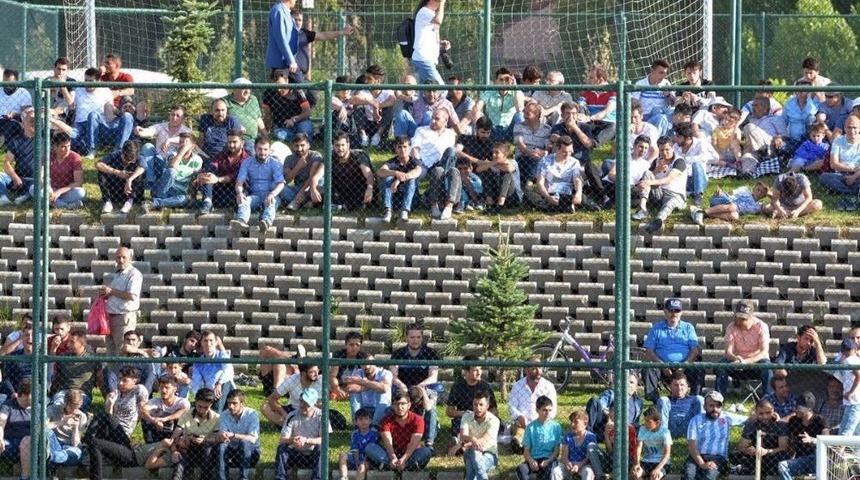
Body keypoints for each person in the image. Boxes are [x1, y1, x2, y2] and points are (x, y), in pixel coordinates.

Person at [85, 367, 149, 479]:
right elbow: (110, 416)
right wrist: (110, 404)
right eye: (119, 379)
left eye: (125, 380)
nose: (120, 383)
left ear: (134, 380)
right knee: (100, 422)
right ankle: (88, 439)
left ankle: (85, 439)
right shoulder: (117, 393)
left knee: (102, 415)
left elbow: (143, 410)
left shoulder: (139, 389)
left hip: (123, 433)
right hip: (112, 429)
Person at [642, 297, 703, 401]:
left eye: (677, 310)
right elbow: (649, 350)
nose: (674, 313)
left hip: (685, 365)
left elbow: (695, 350)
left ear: (681, 312)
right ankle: (655, 401)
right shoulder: (656, 328)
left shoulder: (688, 328)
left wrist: (684, 366)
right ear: (665, 312)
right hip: (661, 366)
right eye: (671, 310)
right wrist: (662, 365)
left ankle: (693, 400)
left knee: (698, 369)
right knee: (649, 369)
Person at [391, 323, 441, 448]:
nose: (415, 340)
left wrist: (419, 387)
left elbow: (433, 376)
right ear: (406, 338)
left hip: (425, 387)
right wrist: (403, 386)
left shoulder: (431, 353)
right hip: (403, 388)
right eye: (412, 337)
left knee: (431, 409)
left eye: (418, 337)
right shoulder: (398, 354)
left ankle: (429, 442)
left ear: (422, 338)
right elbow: (393, 376)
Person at [715, 300, 772, 396]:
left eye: (743, 319)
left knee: (767, 366)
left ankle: (768, 400)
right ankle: (718, 399)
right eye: (738, 317)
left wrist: (747, 361)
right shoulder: (731, 327)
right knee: (721, 365)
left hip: (756, 364)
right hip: (737, 363)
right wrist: (736, 359)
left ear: (751, 316)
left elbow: (764, 352)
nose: (739, 321)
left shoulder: (762, 326)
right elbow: (728, 352)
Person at [365, 390, 433, 471]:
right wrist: (393, 458)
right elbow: (388, 443)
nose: (400, 407)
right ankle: (400, 466)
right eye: (396, 404)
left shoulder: (418, 420)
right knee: (370, 447)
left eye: (403, 404)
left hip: (410, 453)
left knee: (427, 451)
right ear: (392, 406)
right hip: (390, 454)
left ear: (409, 405)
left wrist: (404, 459)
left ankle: (395, 466)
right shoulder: (385, 421)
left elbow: (413, 443)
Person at [684, 391, 744, 480]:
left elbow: (749, 419)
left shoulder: (726, 418)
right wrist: (702, 464)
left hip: (718, 458)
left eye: (718, 406)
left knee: (708, 477)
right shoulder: (696, 420)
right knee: (688, 475)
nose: (715, 409)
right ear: (704, 406)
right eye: (711, 405)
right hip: (697, 456)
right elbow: (692, 446)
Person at [230, 136, 285, 233]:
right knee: (244, 200)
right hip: (255, 196)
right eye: (260, 149)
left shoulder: (275, 163)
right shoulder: (247, 162)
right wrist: (239, 193)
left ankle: (266, 222)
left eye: (265, 149)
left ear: (270, 150)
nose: (263, 152)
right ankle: (241, 221)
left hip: (270, 195)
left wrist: (272, 194)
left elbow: (281, 184)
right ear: (255, 148)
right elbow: (239, 182)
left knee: (271, 203)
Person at [412, 109, 459, 219]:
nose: (432, 120)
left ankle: (431, 194)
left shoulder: (450, 134)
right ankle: (427, 196)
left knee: (451, 151)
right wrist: (418, 164)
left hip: (440, 164)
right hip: (423, 162)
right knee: (417, 174)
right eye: (432, 118)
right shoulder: (421, 130)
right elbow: (414, 148)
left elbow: (449, 155)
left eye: (436, 119)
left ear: (445, 120)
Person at [139, 131, 203, 212]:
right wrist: (182, 151)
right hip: (163, 188)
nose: (182, 144)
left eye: (186, 142)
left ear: (193, 145)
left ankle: (155, 203)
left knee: (184, 199)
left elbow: (195, 180)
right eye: (181, 142)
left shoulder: (198, 160)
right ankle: (161, 199)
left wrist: (193, 197)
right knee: (172, 171)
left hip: (177, 193)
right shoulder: (173, 153)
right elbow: (172, 166)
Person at [276, 388, 329, 480]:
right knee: (282, 447)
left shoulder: (322, 416)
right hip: (295, 454)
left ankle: (317, 478)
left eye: (306, 403)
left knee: (321, 448)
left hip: (313, 455)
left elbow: (324, 439)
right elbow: (282, 439)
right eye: (301, 402)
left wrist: (306, 440)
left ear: (314, 404)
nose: (302, 405)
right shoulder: (292, 415)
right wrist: (293, 440)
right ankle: (280, 477)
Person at [98, 246, 142, 354]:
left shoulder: (134, 274)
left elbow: (132, 295)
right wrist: (106, 294)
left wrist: (111, 291)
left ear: (130, 258)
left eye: (124, 257)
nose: (121, 260)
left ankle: (124, 371)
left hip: (124, 317)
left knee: (123, 350)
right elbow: (114, 293)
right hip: (111, 317)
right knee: (111, 351)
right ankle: (113, 371)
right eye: (118, 257)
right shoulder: (118, 273)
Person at [638, 136, 687, 233]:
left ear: (673, 148)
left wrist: (650, 182)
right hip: (659, 194)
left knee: (670, 203)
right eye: (662, 150)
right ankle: (642, 209)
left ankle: (658, 220)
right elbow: (647, 176)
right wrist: (657, 170)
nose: (664, 153)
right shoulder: (656, 161)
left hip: (675, 194)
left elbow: (668, 179)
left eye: (667, 149)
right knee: (647, 173)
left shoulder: (679, 161)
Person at [728, 399, 790, 476]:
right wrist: (749, 450)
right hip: (756, 455)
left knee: (783, 456)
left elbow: (783, 448)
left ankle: (750, 469)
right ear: (756, 413)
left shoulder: (780, 425)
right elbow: (741, 447)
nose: (765, 416)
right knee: (734, 455)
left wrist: (766, 451)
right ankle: (756, 470)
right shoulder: (751, 424)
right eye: (761, 413)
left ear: (773, 411)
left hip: (773, 455)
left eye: (768, 413)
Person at [509, 356, 558, 453]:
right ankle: (519, 443)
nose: (539, 371)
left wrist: (542, 420)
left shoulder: (548, 386)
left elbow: (553, 410)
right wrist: (519, 416)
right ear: (526, 370)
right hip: (523, 424)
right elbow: (512, 406)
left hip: (542, 422)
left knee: (541, 433)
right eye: (534, 368)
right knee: (519, 431)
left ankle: (528, 444)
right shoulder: (517, 386)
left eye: (539, 368)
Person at [194, 129, 249, 214]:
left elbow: (237, 175)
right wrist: (203, 175)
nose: (231, 145)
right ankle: (207, 203)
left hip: (237, 192)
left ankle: (208, 202)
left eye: (234, 142)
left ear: (242, 143)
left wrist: (218, 179)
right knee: (208, 176)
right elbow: (213, 165)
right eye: (229, 142)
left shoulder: (248, 159)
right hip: (219, 191)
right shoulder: (222, 155)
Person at [135, 104, 191, 187]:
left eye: (178, 116)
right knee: (147, 146)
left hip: (172, 164)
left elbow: (186, 140)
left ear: (183, 119)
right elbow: (151, 130)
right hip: (158, 160)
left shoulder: (186, 130)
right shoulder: (161, 126)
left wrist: (170, 140)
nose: (174, 118)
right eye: (172, 114)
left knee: (172, 154)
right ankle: (150, 181)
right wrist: (141, 131)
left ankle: (163, 186)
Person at [170, 388, 220, 480]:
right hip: (188, 449)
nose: (202, 410)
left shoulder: (216, 418)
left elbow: (218, 439)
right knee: (179, 467)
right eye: (199, 406)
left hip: (207, 453)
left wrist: (205, 440)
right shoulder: (186, 414)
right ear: (195, 402)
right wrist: (174, 451)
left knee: (208, 448)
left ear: (211, 405)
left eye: (206, 407)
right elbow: (174, 437)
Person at [463, 68, 525, 142]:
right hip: (491, 129)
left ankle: (520, 145)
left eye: (507, 79)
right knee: (476, 112)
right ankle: (479, 143)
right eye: (501, 80)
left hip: (510, 129)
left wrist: (515, 87)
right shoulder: (489, 91)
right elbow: (477, 107)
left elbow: (519, 109)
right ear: (496, 81)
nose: (504, 82)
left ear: (511, 80)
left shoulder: (517, 92)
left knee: (519, 115)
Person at [526, 135, 584, 213]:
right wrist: (548, 197)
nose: (567, 155)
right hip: (549, 194)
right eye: (564, 152)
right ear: (557, 149)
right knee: (529, 195)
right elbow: (540, 183)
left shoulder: (574, 162)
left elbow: (577, 180)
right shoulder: (545, 161)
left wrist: (578, 193)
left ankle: (556, 207)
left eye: (570, 152)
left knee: (582, 197)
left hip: (567, 195)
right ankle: (562, 206)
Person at [446, 355, 498, 442]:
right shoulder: (458, 386)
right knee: (458, 423)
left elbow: (495, 410)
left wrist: (484, 415)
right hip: (464, 418)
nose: (479, 372)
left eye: (480, 369)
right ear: (466, 371)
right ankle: (459, 439)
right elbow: (449, 411)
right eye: (475, 370)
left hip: (482, 418)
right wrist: (464, 413)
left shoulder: (485, 386)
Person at [776, 391, 825, 480]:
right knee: (782, 465)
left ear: (809, 409)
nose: (796, 409)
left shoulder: (820, 421)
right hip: (800, 460)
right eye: (796, 406)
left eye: (800, 407)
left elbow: (827, 442)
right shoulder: (794, 421)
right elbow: (790, 443)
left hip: (817, 459)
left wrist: (812, 440)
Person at [50, 329, 101, 411]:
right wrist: (53, 348)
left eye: (72, 342)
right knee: (57, 406)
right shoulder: (63, 358)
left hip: (81, 393)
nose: (68, 345)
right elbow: (50, 366)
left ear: (82, 344)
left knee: (74, 407)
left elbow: (99, 380)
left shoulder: (93, 360)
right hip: (64, 392)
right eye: (68, 341)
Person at [586, 373, 644, 444]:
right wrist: (610, 416)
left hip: (626, 430)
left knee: (641, 427)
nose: (628, 384)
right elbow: (601, 405)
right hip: (606, 425)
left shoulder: (639, 402)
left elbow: (636, 422)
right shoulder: (612, 393)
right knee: (594, 401)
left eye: (631, 382)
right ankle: (589, 435)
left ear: (636, 387)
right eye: (626, 381)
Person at [216, 389, 261, 480]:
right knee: (221, 446)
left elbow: (252, 438)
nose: (231, 406)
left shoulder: (252, 414)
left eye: (234, 403)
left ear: (242, 403)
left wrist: (233, 435)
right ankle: (221, 478)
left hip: (250, 454)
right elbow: (223, 434)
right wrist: (222, 436)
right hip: (231, 452)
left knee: (244, 442)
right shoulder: (224, 415)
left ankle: (243, 478)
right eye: (228, 403)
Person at [377, 135, 422, 223]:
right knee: (387, 178)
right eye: (399, 147)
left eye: (405, 147)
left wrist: (398, 180)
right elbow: (380, 172)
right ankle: (388, 211)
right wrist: (395, 173)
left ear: (409, 148)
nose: (402, 150)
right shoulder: (392, 162)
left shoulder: (414, 161)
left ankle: (404, 211)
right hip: (394, 199)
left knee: (411, 180)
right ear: (395, 148)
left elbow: (418, 171)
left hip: (411, 200)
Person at [516, 395, 561, 480]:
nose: (547, 413)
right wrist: (531, 461)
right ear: (537, 410)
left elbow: (557, 450)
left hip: (548, 459)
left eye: (549, 410)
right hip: (534, 459)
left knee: (548, 472)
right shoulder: (531, 427)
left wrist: (548, 461)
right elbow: (526, 451)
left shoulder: (556, 427)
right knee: (521, 469)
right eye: (544, 410)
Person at [459, 389, 500, 480]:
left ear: (487, 406)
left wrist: (469, 444)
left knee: (471, 469)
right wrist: (473, 439)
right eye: (475, 404)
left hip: (489, 453)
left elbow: (484, 441)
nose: (478, 408)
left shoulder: (494, 421)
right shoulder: (466, 417)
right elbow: (463, 436)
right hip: (470, 452)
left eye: (481, 405)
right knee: (474, 455)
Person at [45, 389, 89, 474]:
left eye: (76, 408)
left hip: (69, 447)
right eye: (71, 407)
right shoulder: (54, 408)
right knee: (47, 432)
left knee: (77, 453)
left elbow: (76, 444)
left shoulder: (82, 417)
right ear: (65, 403)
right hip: (55, 443)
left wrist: (75, 427)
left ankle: (51, 458)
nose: (74, 411)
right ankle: (54, 459)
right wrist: (61, 422)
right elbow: (43, 428)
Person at [262, 70, 313, 142]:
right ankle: (297, 140)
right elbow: (267, 114)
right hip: (282, 126)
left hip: (300, 122)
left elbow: (307, 111)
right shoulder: (268, 93)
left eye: (281, 84)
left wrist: (294, 120)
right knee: (277, 134)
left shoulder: (297, 90)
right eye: (275, 85)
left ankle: (302, 141)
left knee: (305, 128)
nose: (279, 89)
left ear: (287, 81)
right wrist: (266, 131)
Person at [588, 407, 638, 480]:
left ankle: (615, 475)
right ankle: (601, 475)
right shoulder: (609, 428)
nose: (612, 419)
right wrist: (606, 434)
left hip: (626, 459)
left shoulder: (629, 428)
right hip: (611, 458)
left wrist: (618, 432)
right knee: (591, 446)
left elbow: (629, 450)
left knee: (621, 456)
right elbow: (609, 450)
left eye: (614, 416)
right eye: (611, 416)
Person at [191, 330, 235, 411]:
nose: (208, 343)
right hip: (208, 391)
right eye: (205, 341)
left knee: (225, 383)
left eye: (211, 340)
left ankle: (215, 412)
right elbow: (196, 382)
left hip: (223, 388)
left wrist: (219, 383)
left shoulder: (222, 356)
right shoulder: (198, 362)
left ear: (215, 342)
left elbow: (229, 371)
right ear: (201, 343)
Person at [342, 354, 392, 425]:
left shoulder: (385, 373)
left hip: (381, 409)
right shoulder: (358, 372)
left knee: (383, 392)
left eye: (370, 363)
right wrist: (374, 385)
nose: (367, 366)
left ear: (375, 363)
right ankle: (357, 424)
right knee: (354, 393)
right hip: (364, 409)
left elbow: (384, 389)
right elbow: (350, 388)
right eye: (364, 364)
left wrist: (362, 382)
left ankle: (376, 426)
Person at [96, 140, 144, 214]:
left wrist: (130, 180)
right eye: (126, 159)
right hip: (115, 190)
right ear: (122, 152)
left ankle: (129, 202)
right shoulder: (115, 155)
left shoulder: (139, 158)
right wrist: (117, 172)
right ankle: (108, 202)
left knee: (139, 173)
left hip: (132, 191)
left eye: (131, 161)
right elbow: (98, 164)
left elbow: (142, 167)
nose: (128, 162)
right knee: (102, 171)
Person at [41, 132, 86, 209]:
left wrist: (59, 192)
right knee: (33, 189)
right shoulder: (48, 156)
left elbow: (78, 182)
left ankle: (51, 202)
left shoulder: (75, 157)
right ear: (55, 147)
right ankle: (66, 206)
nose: (67, 149)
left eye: (69, 146)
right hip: (51, 190)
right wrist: (48, 188)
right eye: (63, 146)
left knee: (81, 192)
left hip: (67, 191)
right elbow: (40, 176)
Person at [0, 106, 35, 206]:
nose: (34, 122)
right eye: (31, 120)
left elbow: (69, 133)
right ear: (23, 124)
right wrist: (14, 176)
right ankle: (3, 197)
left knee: (38, 186)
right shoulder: (16, 141)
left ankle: (25, 196)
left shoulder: (44, 138)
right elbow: (7, 163)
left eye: (36, 120)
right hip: (18, 178)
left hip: (35, 179)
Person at [690, 183, 769, 224]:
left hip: (731, 211)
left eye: (762, 192)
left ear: (764, 196)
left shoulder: (758, 206)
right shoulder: (745, 190)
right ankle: (700, 212)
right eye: (758, 189)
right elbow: (730, 193)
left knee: (735, 216)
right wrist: (720, 192)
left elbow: (769, 207)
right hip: (722, 200)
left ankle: (701, 214)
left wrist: (769, 194)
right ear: (754, 188)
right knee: (733, 207)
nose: (759, 192)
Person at [631, 59, 674, 135]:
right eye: (661, 73)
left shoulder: (666, 84)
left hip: (662, 116)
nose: (663, 76)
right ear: (652, 70)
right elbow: (634, 104)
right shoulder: (641, 84)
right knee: (658, 113)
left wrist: (668, 95)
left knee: (667, 114)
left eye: (665, 73)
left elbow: (673, 104)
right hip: (645, 117)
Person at [411, 0, 449, 85]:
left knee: (424, 93)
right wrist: (442, 3)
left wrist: (440, 44)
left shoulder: (430, 14)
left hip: (427, 60)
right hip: (423, 60)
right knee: (442, 90)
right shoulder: (424, 11)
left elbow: (427, 37)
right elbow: (439, 20)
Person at [140, 376, 189, 443]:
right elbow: (143, 410)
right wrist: (154, 420)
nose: (163, 390)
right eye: (161, 387)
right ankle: (151, 444)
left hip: (176, 434)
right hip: (159, 431)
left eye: (167, 387)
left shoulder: (181, 402)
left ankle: (174, 443)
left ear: (174, 389)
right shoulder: (155, 401)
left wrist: (164, 419)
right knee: (145, 418)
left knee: (181, 418)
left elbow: (184, 411)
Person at [657, 371, 704, 439]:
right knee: (663, 400)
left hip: (689, 428)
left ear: (687, 386)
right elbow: (652, 415)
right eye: (676, 385)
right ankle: (663, 437)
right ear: (670, 386)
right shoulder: (666, 401)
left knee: (700, 398)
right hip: (670, 427)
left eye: (682, 385)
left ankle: (700, 436)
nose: (679, 388)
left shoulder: (694, 400)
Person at [514, 100, 552, 183]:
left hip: (539, 156)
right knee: (530, 159)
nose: (524, 116)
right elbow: (520, 144)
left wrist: (543, 152)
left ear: (537, 114)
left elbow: (548, 147)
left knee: (540, 160)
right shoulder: (519, 126)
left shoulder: (547, 129)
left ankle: (530, 182)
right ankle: (530, 182)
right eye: (524, 112)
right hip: (523, 156)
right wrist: (530, 152)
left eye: (528, 113)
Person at [225, 77, 266, 154]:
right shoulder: (226, 101)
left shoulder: (253, 99)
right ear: (234, 90)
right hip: (233, 139)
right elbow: (217, 112)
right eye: (244, 88)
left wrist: (265, 134)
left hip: (251, 139)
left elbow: (258, 118)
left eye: (249, 88)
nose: (247, 91)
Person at [0, 378, 31, 477]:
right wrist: (0, 438)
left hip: (29, 443)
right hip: (10, 442)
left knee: (26, 442)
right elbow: (1, 422)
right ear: (24, 395)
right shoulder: (8, 405)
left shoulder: (37, 407)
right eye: (33, 394)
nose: (37, 397)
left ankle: (25, 477)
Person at [553, 410, 596, 480]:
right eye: (571, 422)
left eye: (576, 422)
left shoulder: (590, 437)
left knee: (588, 472)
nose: (572, 424)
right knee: (556, 471)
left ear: (585, 423)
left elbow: (589, 457)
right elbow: (564, 456)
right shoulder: (568, 437)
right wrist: (567, 463)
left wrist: (579, 465)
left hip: (584, 464)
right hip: (569, 464)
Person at [632, 407, 671, 480]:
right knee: (635, 475)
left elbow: (667, 454)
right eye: (645, 421)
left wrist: (658, 469)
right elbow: (639, 447)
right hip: (646, 461)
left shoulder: (665, 432)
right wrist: (637, 463)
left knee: (655, 477)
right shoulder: (642, 429)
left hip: (661, 463)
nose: (645, 424)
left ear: (657, 422)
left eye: (648, 422)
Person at [338, 407, 377, 480]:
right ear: (355, 422)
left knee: (362, 466)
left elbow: (373, 450)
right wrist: (356, 462)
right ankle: (344, 477)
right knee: (342, 455)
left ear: (370, 421)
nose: (363, 421)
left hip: (367, 460)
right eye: (360, 419)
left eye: (366, 419)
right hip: (356, 457)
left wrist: (361, 463)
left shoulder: (374, 433)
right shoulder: (355, 434)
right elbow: (354, 449)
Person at [581, 66, 617, 144]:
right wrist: (581, 116)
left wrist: (590, 118)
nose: (588, 80)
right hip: (590, 122)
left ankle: (594, 143)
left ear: (600, 79)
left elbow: (606, 111)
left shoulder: (612, 92)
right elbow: (579, 106)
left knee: (614, 127)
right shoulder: (587, 92)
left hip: (607, 122)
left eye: (591, 78)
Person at [265, 0, 300, 77]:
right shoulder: (278, 10)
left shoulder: (287, 12)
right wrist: (291, 60)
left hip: (289, 64)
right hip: (281, 64)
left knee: (301, 87)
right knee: (287, 88)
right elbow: (281, 38)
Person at [782, 79, 817, 151]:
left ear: (809, 92)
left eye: (804, 90)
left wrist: (809, 100)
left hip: (811, 140)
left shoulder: (814, 103)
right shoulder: (789, 104)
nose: (801, 92)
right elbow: (783, 122)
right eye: (798, 89)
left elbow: (811, 117)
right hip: (792, 140)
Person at [838, 338, 860, 436]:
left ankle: (838, 452)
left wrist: (851, 392)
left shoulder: (849, 360)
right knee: (855, 432)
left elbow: (858, 375)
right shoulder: (855, 359)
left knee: (846, 431)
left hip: (854, 402)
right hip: (854, 402)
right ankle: (855, 452)